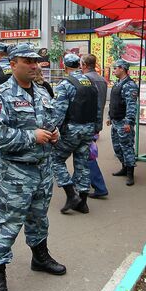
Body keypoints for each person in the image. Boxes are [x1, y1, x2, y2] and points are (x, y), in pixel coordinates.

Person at [0, 43, 66, 291]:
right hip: (16, 174)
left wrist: (54, 134)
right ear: (12, 63)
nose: (34, 65)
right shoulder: (1, 95)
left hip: (42, 170)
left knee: (39, 217)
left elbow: (50, 120)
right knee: (6, 223)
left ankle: (39, 257)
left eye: (36, 61)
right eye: (28, 61)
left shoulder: (41, 92)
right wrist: (32, 136)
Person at [51, 53, 99, 214]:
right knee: (82, 163)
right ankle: (83, 203)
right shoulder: (90, 82)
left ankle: (71, 194)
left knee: (55, 160)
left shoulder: (65, 84)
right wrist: (96, 128)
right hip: (88, 129)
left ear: (65, 66)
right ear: (79, 65)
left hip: (71, 130)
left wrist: (52, 130)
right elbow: (97, 108)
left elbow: (58, 112)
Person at [82, 54, 109, 199]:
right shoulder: (101, 79)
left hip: (87, 122)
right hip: (96, 122)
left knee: (87, 155)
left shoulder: (86, 80)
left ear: (85, 65)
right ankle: (78, 181)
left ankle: (99, 186)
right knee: (86, 153)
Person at [107, 59, 138, 186]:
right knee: (117, 148)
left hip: (123, 122)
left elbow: (131, 106)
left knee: (127, 148)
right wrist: (109, 116)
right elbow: (113, 102)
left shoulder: (129, 85)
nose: (113, 70)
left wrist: (128, 122)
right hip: (115, 121)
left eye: (115, 68)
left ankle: (130, 173)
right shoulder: (118, 83)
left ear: (122, 69)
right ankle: (124, 168)